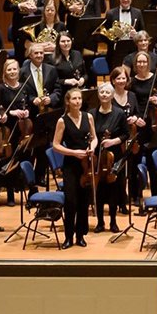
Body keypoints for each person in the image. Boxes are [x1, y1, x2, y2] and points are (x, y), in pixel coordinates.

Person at [50, 84, 94, 248]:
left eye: (79, 98)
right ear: (68, 102)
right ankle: (68, 236)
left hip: (86, 165)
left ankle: (80, 235)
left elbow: (94, 138)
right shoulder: (62, 121)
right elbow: (55, 145)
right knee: (71, 201)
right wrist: (73, 153)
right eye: (74, 98)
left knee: (84, 201)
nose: (77, 101)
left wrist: (92, 147)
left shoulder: (88, 117)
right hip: (70, 164)